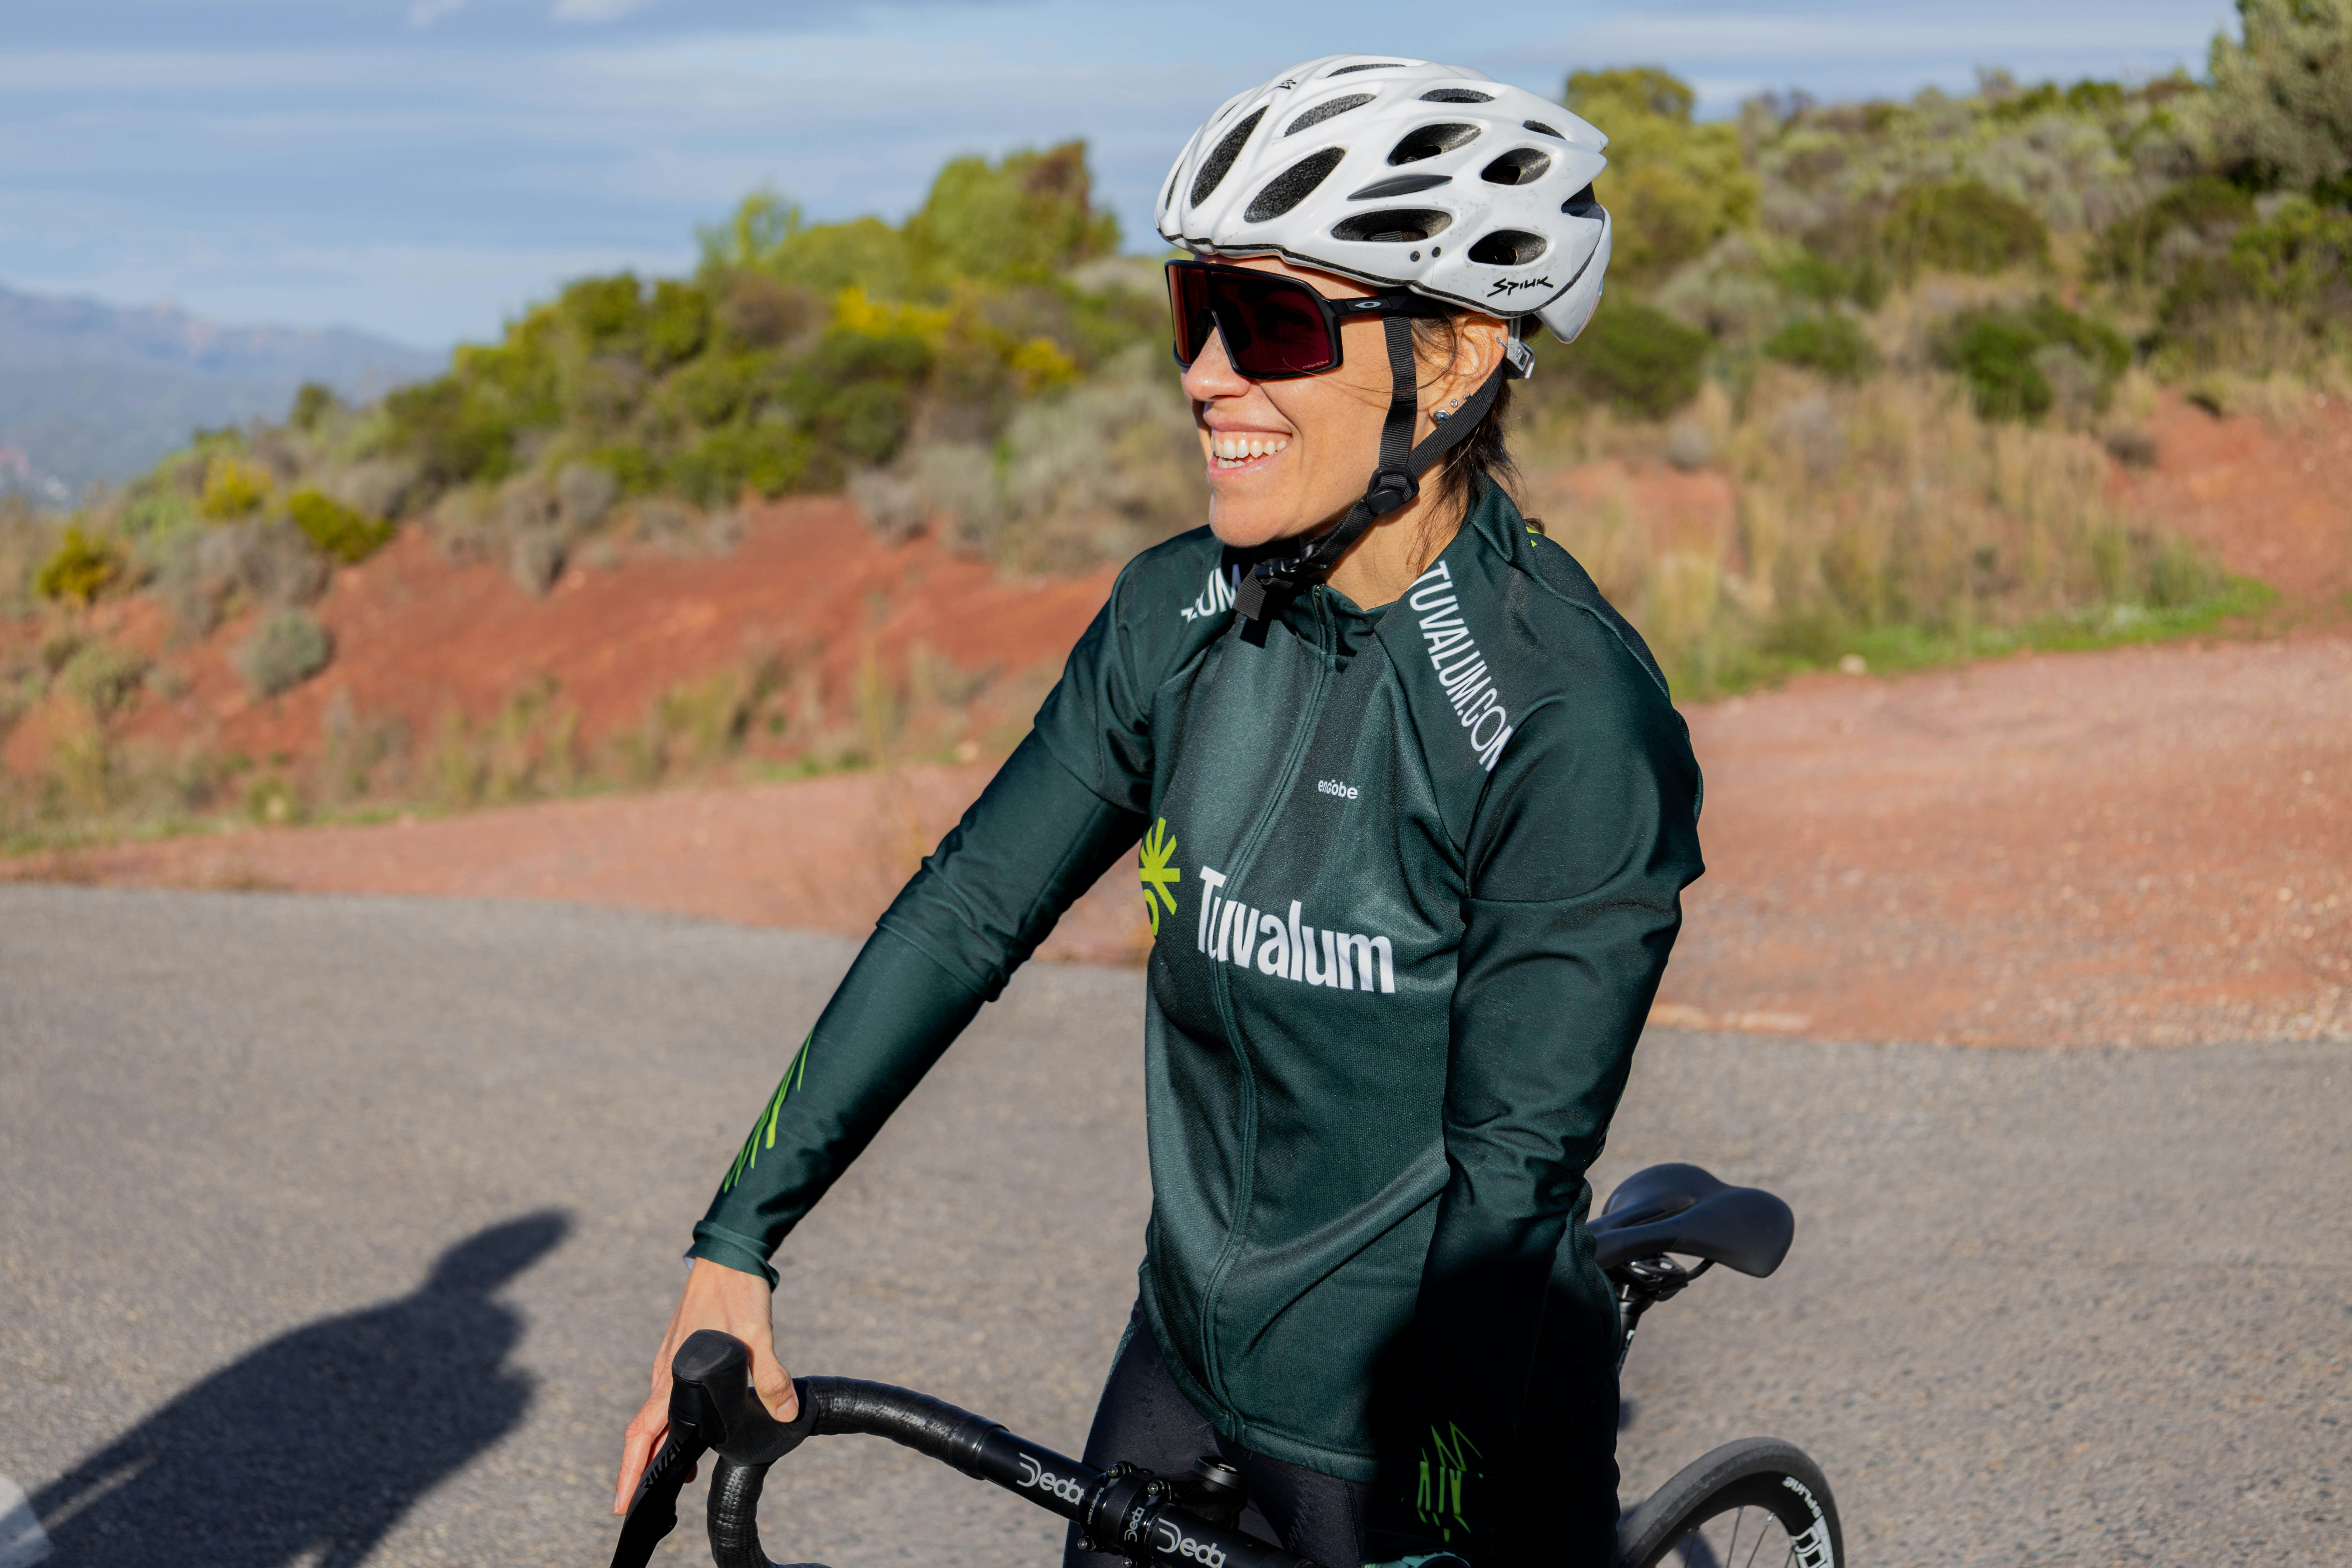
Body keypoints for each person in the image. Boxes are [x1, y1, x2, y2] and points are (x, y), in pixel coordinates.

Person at [615, 54, 1702, 1567]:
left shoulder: (1565, 724)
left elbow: (1506, 1190)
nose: (1205, 375)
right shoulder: (1174, 616)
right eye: (1197, 313)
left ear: (1451, 361)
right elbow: (967, 908)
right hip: (1183, 1368)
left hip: (1433, 1422)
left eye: (1267, 325)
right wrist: (738, 1241)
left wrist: (1440, 1524)